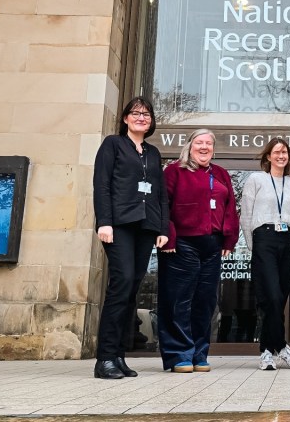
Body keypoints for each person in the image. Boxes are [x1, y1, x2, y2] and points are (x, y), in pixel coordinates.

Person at [92, 97, 169, 379]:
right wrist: (104, 221)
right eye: (135, 113)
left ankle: (119, 356)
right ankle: (105, 359)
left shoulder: (152, 152)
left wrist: (163, 228)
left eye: (146, 114)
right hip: (119, 224)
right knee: (120, 284)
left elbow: (160, 194)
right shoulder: (113, 144)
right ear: (125, 118)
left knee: (130, 290)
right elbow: (102, 185)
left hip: (146, 226)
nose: (141, 117)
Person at [159, 130, 239, 373]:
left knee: (205, 301)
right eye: (199, 143)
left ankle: (199, 353)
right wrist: (169, 236)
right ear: (190, 146)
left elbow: (230, 208)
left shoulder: (221, 174)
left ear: (213, 149)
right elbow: (163, 205)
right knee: (179, 300)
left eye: (209, 144)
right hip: (182, 243)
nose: (204, 147)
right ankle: (178, 354)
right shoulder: (174, 171)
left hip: (212, 245)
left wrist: (229, 240)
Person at [241, 138, 290, 371]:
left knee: (282, 295)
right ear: (268, 156)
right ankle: (280, 347)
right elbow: (246, 214)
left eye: (285, 152)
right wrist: (252, 245)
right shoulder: (256, 179)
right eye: (276, 152)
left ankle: (269, 351)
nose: (281, 155)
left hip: (286, 238)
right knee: (271, 296)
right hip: (264, 238)